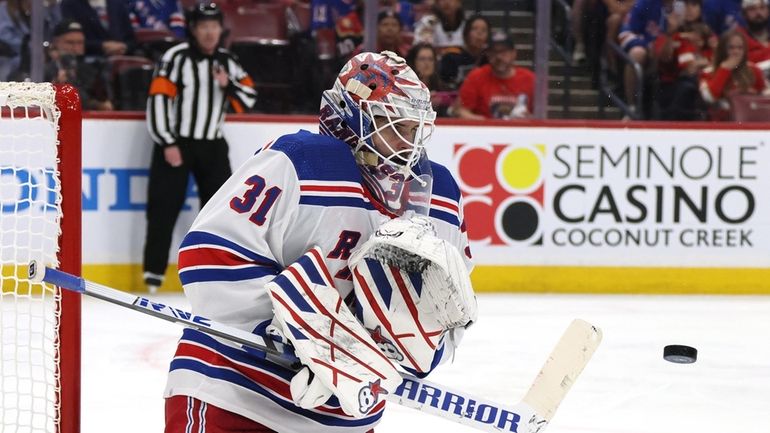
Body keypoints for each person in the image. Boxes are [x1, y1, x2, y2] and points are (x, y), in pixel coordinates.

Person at [162, 50, 476, 433]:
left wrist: (418, 350)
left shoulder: (440, 195)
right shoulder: (301, 162)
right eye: (395, 126)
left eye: (414, 129)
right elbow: (208, 256)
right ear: (353, 120)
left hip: (345, 417)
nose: (408, 144)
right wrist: (292, 334)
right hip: (236, 393)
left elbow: (449, 304)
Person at [142, 3, 257, 292]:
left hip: (212, 146)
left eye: (214, 26)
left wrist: (227, 84)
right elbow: (158, 101)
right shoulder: (175, 58)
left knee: (220, 213)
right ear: (194, 30)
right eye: (203, 26)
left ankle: (218, 275)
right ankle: (154, 275)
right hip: (178, 143)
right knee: (163, 208)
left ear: (221, 29)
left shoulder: (227, 61)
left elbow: (248, 100)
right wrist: (167, 141)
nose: (209, 32)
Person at [453, 31, 535, 120]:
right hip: (484, 132)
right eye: (494, 52)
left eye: (503, 51)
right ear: (488, 54)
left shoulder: (530, 79)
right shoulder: (476, 77)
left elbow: (540, 116)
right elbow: (461, 111)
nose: (499, 57)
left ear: (514, 53)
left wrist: (528, 121)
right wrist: (486, 124)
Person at [700, 29, 768, 119]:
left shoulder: (754, 70)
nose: (736, 52)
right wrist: (724, 69)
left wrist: (751, 94)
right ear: (722, 50)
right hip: (720, 123)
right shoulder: (707, 72)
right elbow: (710, 97)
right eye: (731, 48)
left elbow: (765, 96)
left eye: (740, 48)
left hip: (750, 120)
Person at [45, 19, 113, 111]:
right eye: (70, 42)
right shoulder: (44, 70)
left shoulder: (92, 71)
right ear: (56, 43)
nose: (76, 48)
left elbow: (106, 105)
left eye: (80, 43)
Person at [0, 0, 61, 81]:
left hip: (40, 58)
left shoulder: (40, 9)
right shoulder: (5, 10)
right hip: (12, 59)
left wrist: (53, 6)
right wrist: (33, 50)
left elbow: (56, 28)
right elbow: (5, 37)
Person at [60, 0, 135, 57]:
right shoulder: (69, 4)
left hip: (122, 61)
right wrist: (102, 46)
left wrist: (124, 47)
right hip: (88, 62)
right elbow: (69, 40)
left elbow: (131, 39)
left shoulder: (117, 3)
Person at [438, 14, 490, 89]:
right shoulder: (451, 57)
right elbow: (445, 87)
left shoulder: (490, 59)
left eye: (484, 30)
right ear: (466, 33)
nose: (479, 33)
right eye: (474, 29)